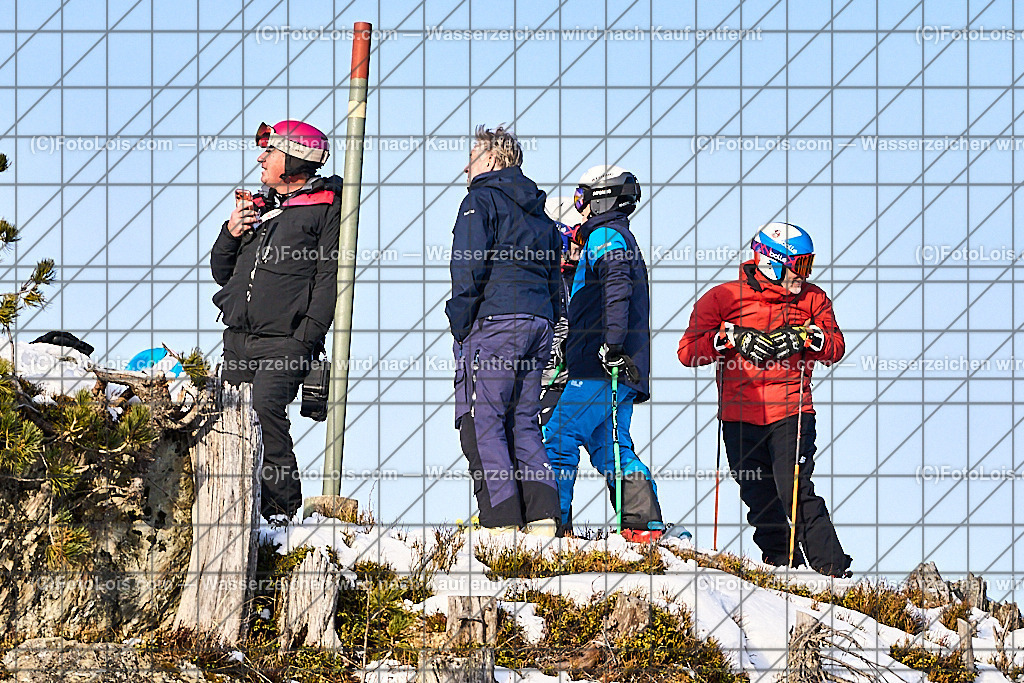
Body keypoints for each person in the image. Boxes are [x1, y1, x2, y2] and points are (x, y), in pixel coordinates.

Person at [676, 222, 852, 578]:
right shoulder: (723, 298)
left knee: (794, 488)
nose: (805, 274)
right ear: (771, 262)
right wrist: (727, 339)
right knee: (758, 495)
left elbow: (836, 347)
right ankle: (783, 566)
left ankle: (832, 570)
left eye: (808, 265)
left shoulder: (813, 299)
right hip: (740, 416)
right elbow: (687, 352)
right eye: (799, 265)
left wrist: (808, 337)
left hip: (792, 411)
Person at [210, 119, 341, 525]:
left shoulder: (327, 207)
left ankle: (280, 515)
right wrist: (231, 232)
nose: (261, 158)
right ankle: (235, 512)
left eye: (270, 151)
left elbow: (329, 278)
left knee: (265, 410)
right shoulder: (259, 206)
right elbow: (221, 272)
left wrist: (305, 338)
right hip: (238, 337)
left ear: (295, 160)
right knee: (228, 418)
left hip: (286, 340)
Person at [445, 124, 563, 536]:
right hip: (538, 323)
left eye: (472, 157)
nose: (466, 167)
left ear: (493, 159)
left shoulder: (480, 201)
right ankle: (543, 518)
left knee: (483, 419)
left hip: (496, 322)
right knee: (524, 420)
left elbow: (468, 266)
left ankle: (502, 522)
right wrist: (550, 320)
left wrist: (461, 322)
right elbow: (555, 279)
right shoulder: (541, 215)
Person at [542, 165, 665, 541]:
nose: (579, 210)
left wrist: (611, 346)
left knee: (558, 438)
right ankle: (643, 522)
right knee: (611, 446)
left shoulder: (606, 236)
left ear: (601, 198)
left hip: (599, 367)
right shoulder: (618, 236)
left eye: (582, 198)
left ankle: (551, 523)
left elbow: (616, 286)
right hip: (620, 369)